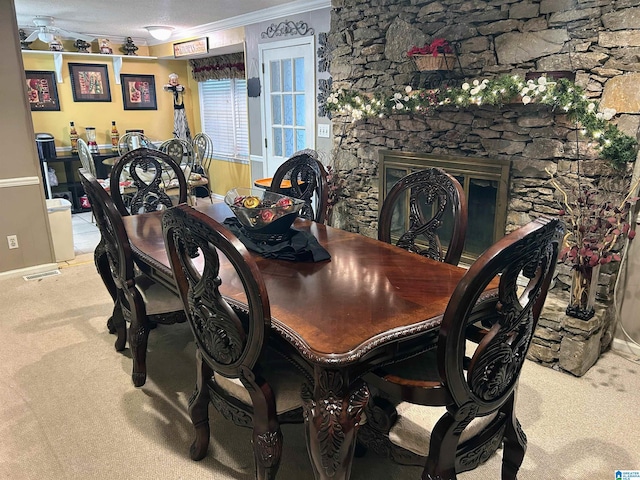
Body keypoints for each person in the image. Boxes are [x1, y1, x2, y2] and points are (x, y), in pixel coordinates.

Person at [163, 73, 191, 141]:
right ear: (169, 81)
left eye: (175, 80)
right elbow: (165, 88)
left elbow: (182, 89)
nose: (174, 81)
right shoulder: (168, 88)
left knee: (183, 124)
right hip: (173, 112)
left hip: (180, 108)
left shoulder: (180, 88)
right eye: (172, 80)